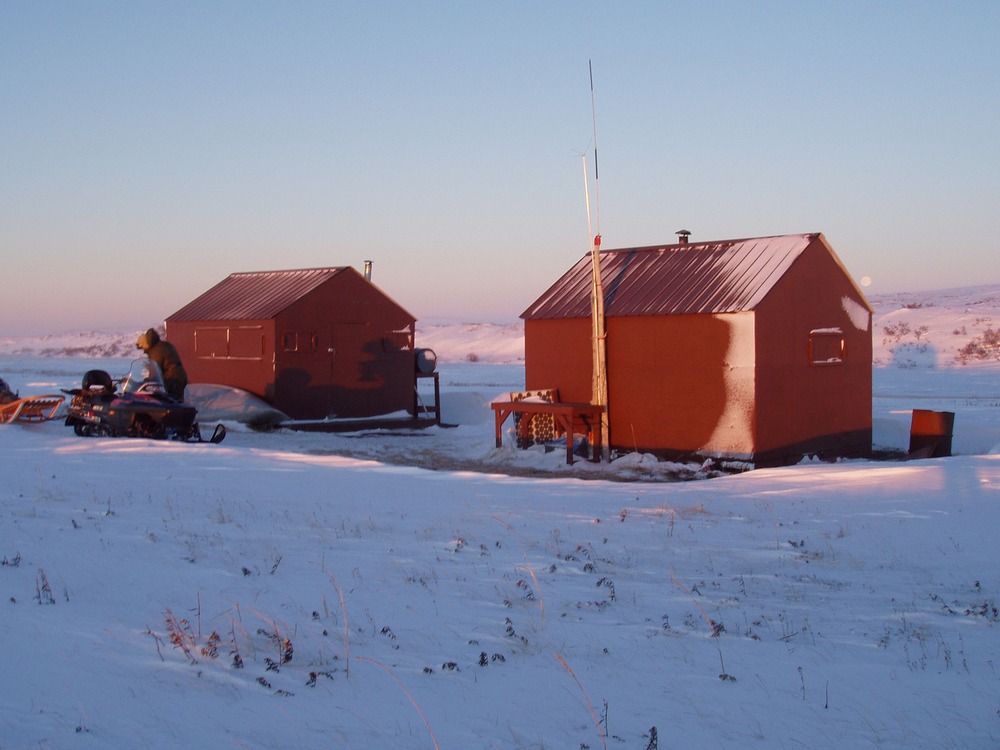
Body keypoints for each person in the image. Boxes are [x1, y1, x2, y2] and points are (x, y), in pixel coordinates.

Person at [136, 328, 188, 401]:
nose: (143, 351)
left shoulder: (156, 351)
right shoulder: (162, 345)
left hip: (173, 379)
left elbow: (155, 371)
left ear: (145, 344)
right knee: (176, 401)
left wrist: (142, 383)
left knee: (169, 402)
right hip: (177, 377)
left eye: (142, 348)